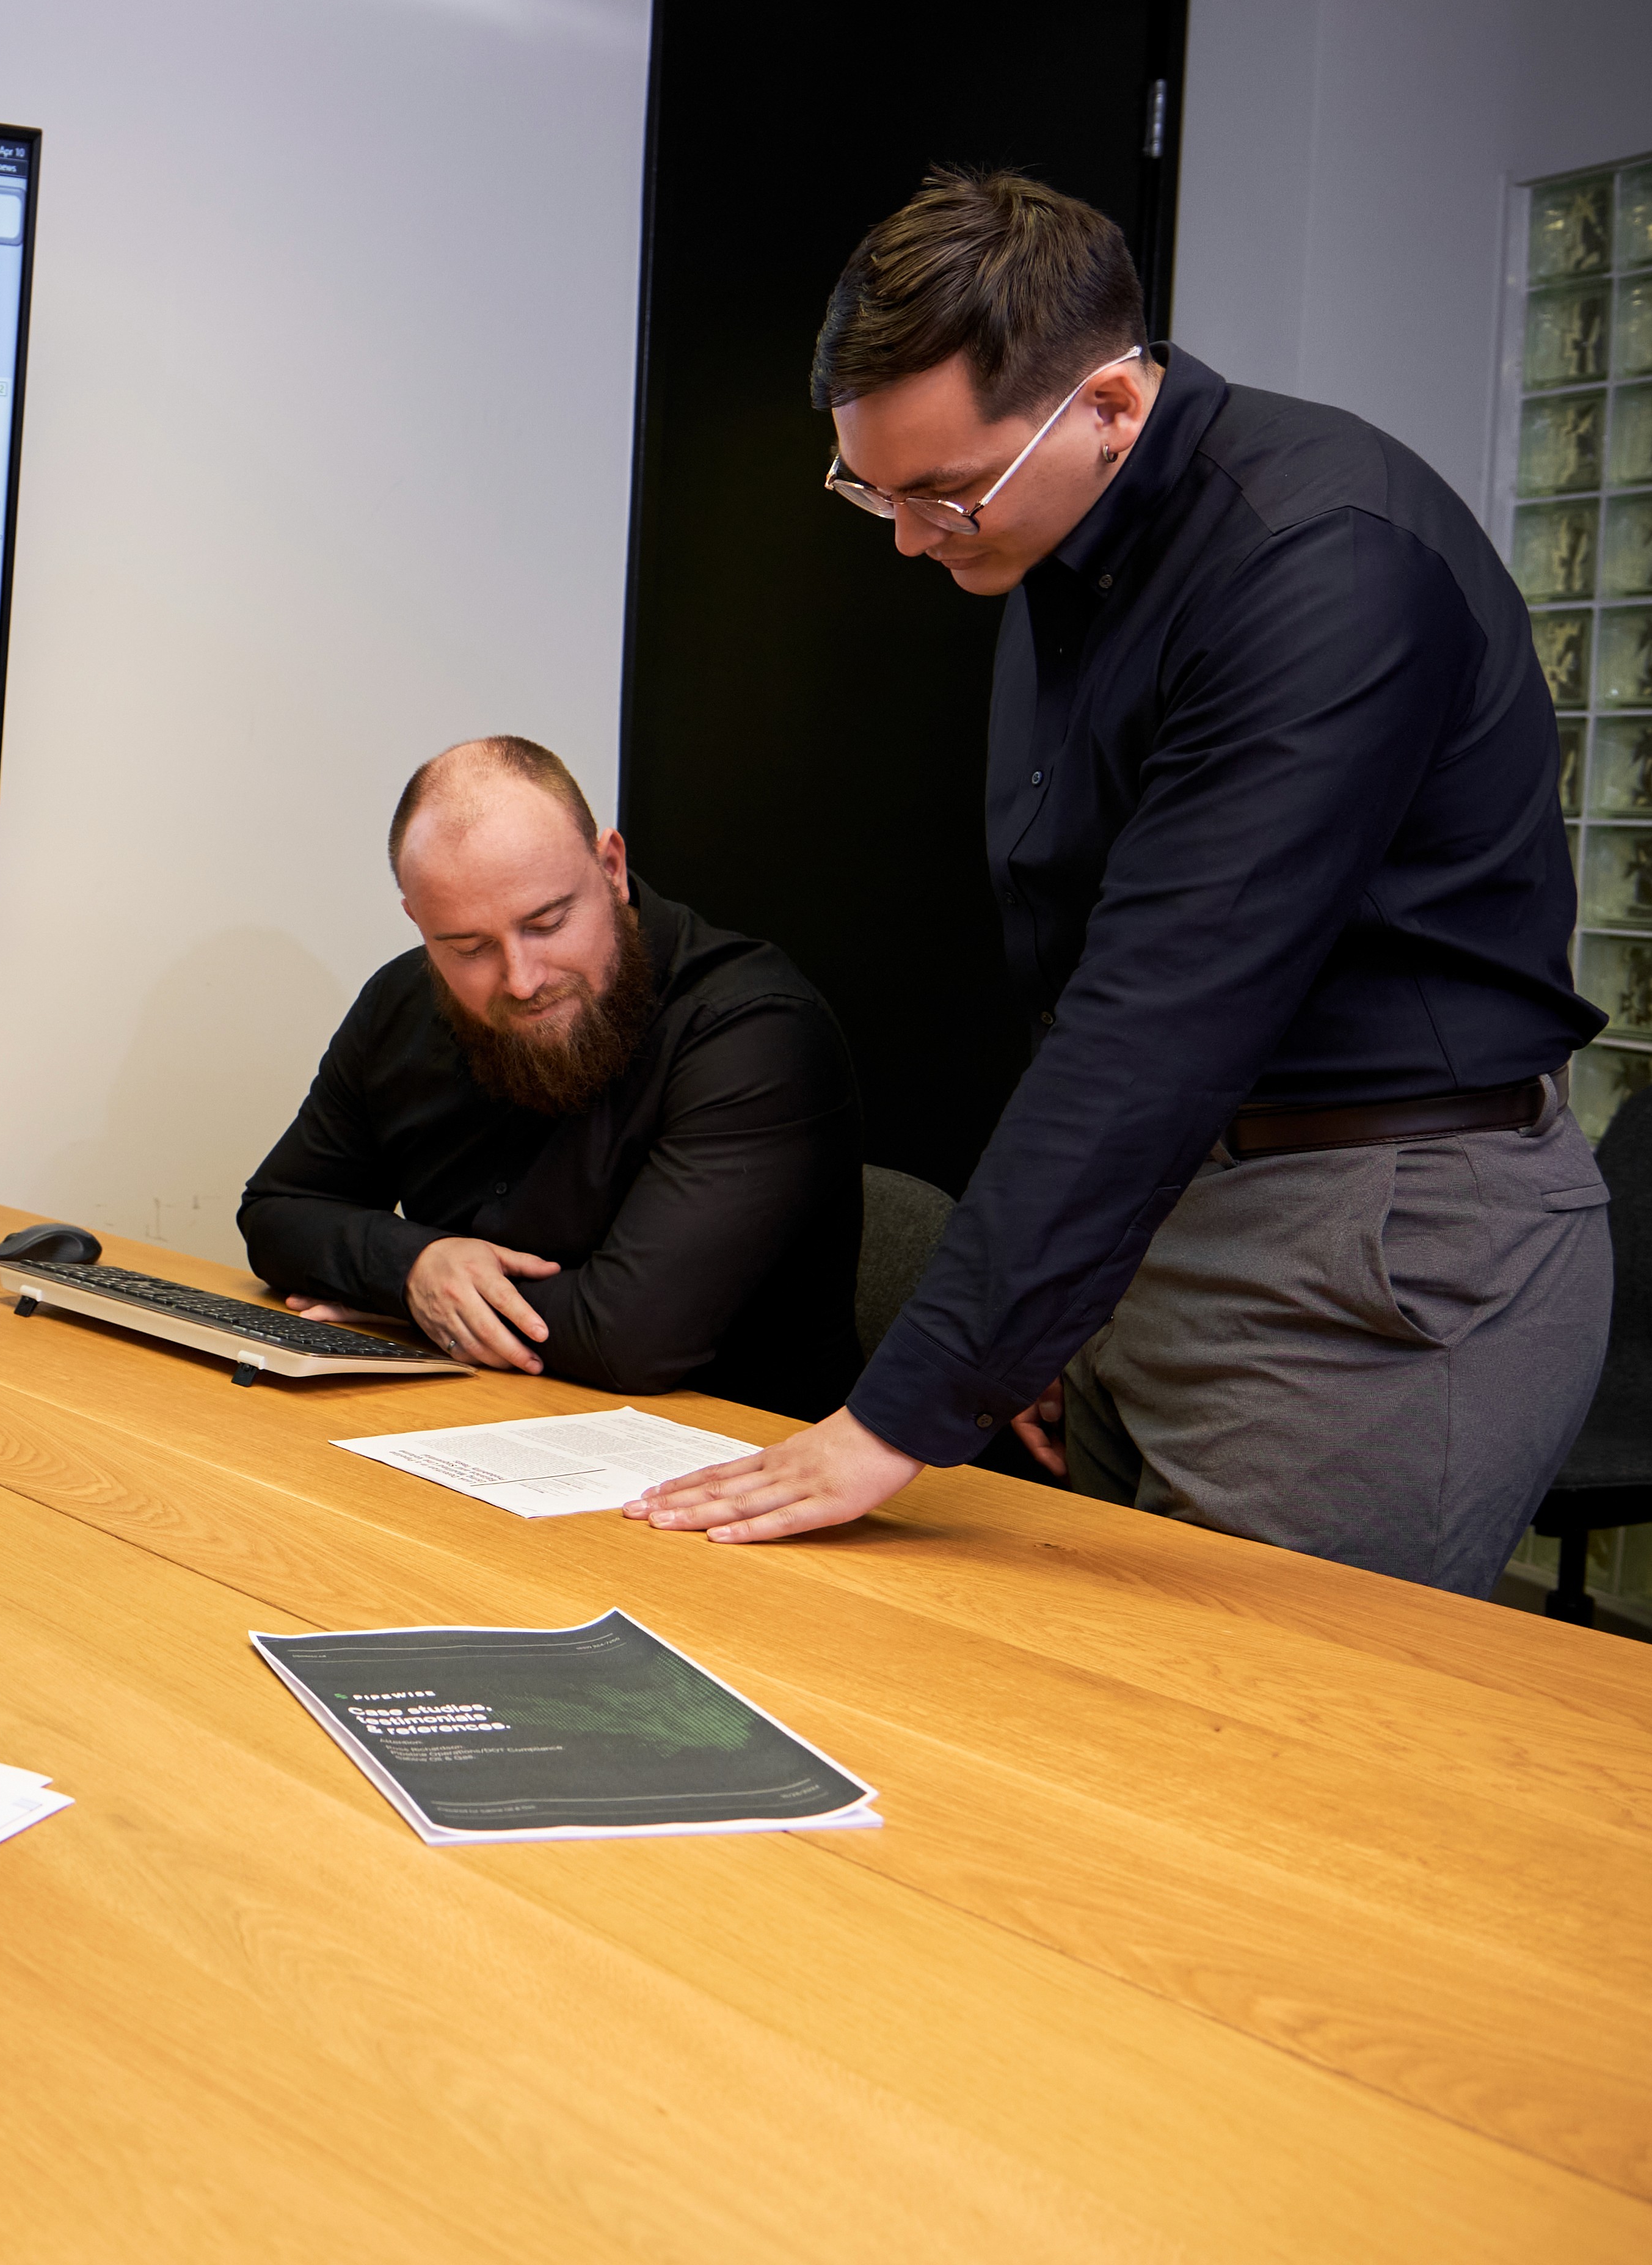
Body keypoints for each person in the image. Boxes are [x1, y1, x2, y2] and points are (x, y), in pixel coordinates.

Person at [635, 169, 1608, 1596]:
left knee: (1238, 1738)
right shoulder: (1056, 536)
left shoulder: (1318, 562)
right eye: (873, 489)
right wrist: (1042, 1316)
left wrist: (916, 1396)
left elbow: (1160, 1011)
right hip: (1184, 1198)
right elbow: (1080, 969)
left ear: (1105, 405)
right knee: (1074, 1712)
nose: (908, 538)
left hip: (1375, 1234)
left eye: (941, 493)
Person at [240, 736, 863, 1417]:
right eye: (468, 947)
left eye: (548, 922)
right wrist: (416, 1265)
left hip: (730, 1460)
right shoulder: (400, 1000)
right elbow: (275, 1214)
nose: (522, 978)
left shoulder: (755, 1028)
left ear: (613, 868)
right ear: (419, 923)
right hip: (467, 1421)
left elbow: (631, 1336)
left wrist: (408, 1300)